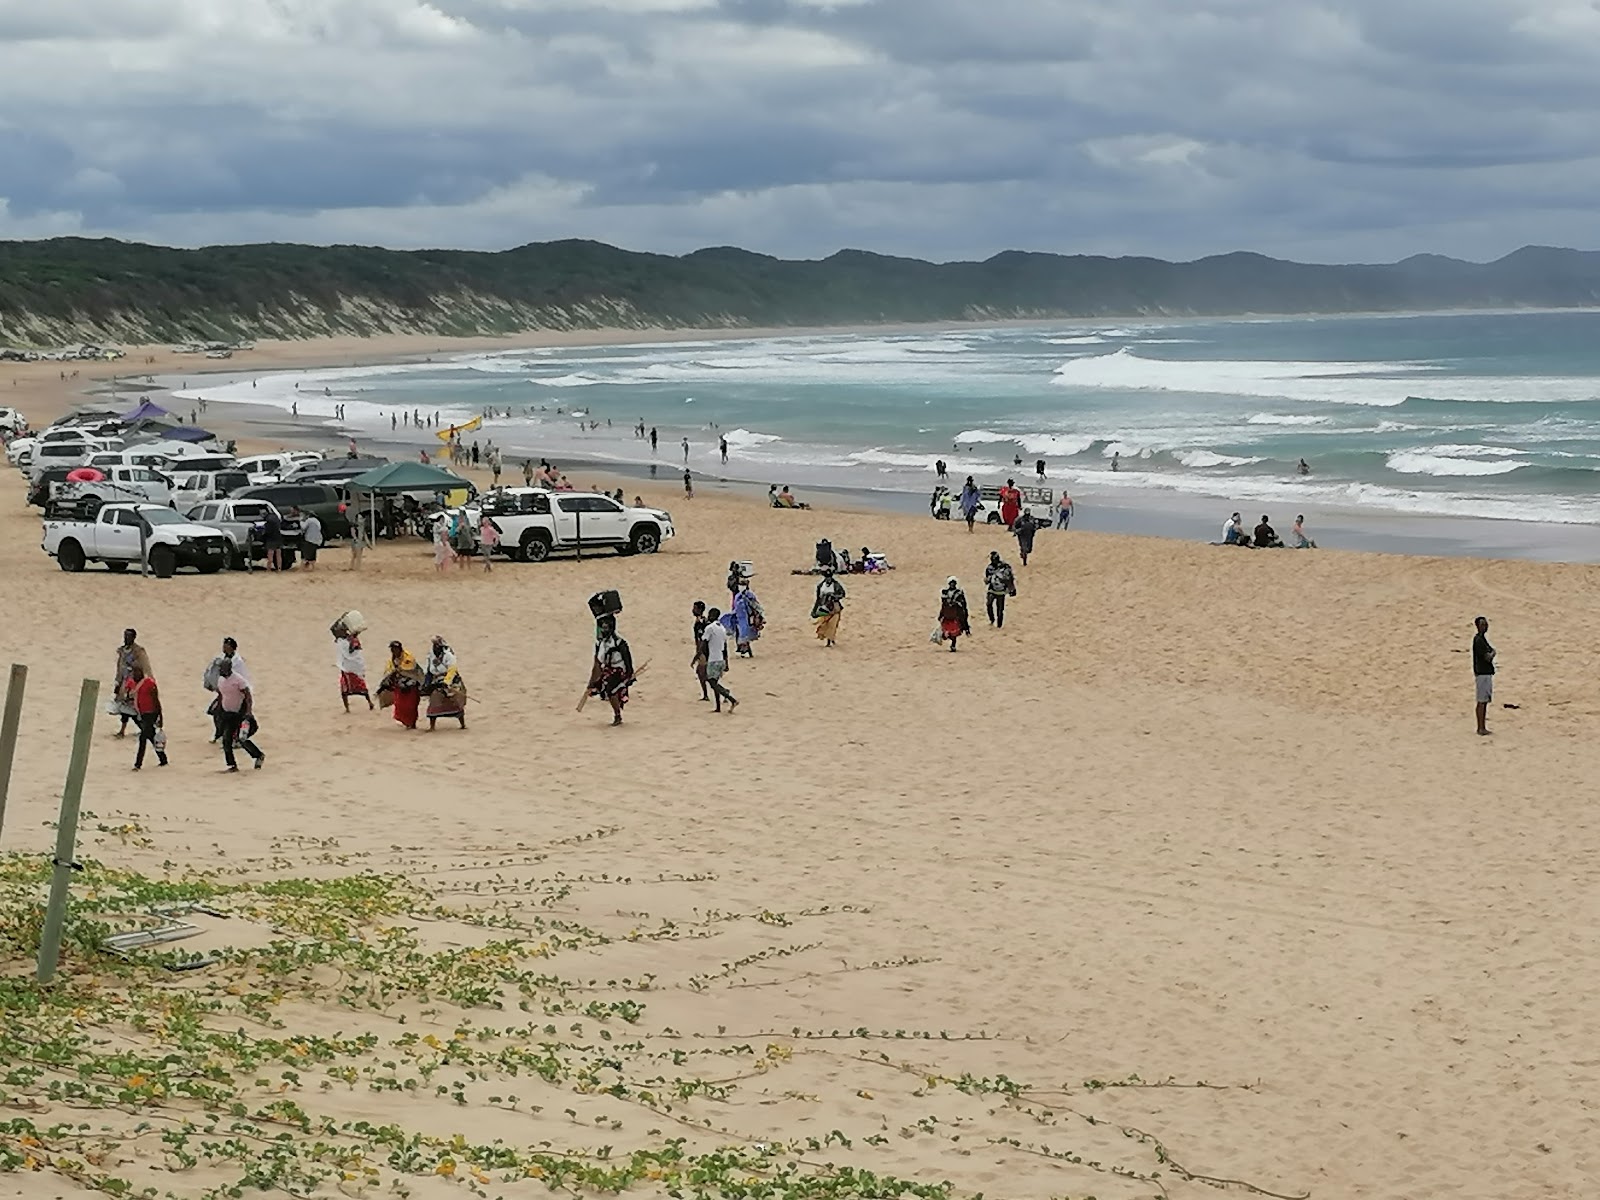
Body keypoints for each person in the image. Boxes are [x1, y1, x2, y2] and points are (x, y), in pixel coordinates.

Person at [214, 659, 264, 771]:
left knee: (242, 738)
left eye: (222, 668)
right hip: (227, 715)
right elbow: (221, 695)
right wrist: (218, 709)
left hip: (240, 715)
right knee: (226, 740)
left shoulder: (238, 680)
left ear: (228, 668)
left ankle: (258, 755)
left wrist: (248, 712)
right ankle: (232, 765)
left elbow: (248, 696)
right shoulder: (221, 680)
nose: (220, 670)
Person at [588, 614, 635, 727]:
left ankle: (617, 715)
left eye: (606, 628)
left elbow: (627, 659)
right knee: (600, 687)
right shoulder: (601, 644)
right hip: (608, 669)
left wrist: (629, 673)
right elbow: (598, 663)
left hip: (619, 670)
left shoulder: (619, 643)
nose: (604, 630)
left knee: (611, 689)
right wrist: (592, 682)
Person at [201, 637, 251, 741]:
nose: (224, 647)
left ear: (232, 648)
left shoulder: (238, 662)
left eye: (226, 646)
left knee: (236, 717)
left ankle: (235, 738)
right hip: (225, 691)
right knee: (216, 712)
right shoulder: (221, 657)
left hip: (237, 693)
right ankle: (218, 733)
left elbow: (242, 680)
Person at [111, 628, 152, 737]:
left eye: (129, 636)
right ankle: (124, 730)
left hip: (134, 685)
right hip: (124, 684)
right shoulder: (122, 651)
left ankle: (143, 728)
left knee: (134, 709)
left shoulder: (138, 652)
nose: (126, 639)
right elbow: (119, 669)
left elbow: (145, 667)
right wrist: (117, 683)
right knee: (124, 708)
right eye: (125, 636)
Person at [422, 636, 468, 731]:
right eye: (434, 645)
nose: (435, 647)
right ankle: (432, 726)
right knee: (434, 699)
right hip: (436, 680)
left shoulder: (449, 656)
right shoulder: (430, 655)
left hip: (450, 680)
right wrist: (426, 683)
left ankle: (462, 724)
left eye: (437, 645)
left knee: (455, 700)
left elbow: (452, 670)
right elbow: (428, 670)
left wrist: (446, 682)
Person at [377, 642, 424, 730]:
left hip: (411, 684)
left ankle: (412, 724)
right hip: (399, 685)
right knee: (400, 704)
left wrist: (399, 670)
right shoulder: (391, 660)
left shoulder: (408, 657)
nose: (393, 651)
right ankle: (406, 722)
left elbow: (411, 670)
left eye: (395, 649)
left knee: (411, 705)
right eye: (392, 649)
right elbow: (389, 671)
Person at [129, 665, 167, 770]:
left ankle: (138, 764)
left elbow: (156, 699)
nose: (135, 676)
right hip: (143, 714)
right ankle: (163, 759)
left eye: (137, 673)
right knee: (151, 736)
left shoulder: (149, 683)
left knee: (143, 738)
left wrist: (160, 715)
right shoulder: (134, 684)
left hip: (151, 713)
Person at [702, 608, 739, 713]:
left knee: (712, 682)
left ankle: (731, 698)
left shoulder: (709, 628)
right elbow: (725, 647)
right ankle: (718, 707)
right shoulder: (722, 629)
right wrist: (726, 662)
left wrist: (699, 656)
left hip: (713, 659)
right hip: (720, 659)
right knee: (715, 683)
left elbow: (704, 643)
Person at [335, 628, 372, 713]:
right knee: (344, 688)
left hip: (353, 667)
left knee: (361, 687)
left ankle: (370, 703)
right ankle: (347, 708)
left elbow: (354, 652)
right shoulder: (342, 641)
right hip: (346, 667)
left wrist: (350, 643)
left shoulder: (353, 641)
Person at [1473, 616, 1496, 736]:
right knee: (1482, 701)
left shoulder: (1482, 639)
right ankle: (1480, 727)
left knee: (1484, 700)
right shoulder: (1479, 640)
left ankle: (1482, 726)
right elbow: (1488, 656)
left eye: (1486, 624)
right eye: (1482, 624)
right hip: (1482, 673)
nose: (1485, 626)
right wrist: (1493, 653)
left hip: (1485, 672)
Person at [813, 569, 845, 647]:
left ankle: (829, 640)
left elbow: (842, 594)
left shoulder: (836, 585)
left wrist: (834, 596)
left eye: (829, 577)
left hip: (834, 607)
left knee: (832, 624)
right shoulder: (821, 586)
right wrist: (814, 609)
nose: (828, 579)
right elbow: (818, 598)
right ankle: (827, 637)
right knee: (823, 623)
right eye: (827, 577)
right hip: (823, 607)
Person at [937, 577, 970, 652]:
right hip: (947, 615)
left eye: (953, 583)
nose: (952, 585)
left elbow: (963, 604)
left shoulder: (959, 593)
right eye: (951, 583)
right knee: (946, 630)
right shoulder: (945, 593)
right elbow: (943, 605)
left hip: (955, 615)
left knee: (954, 632)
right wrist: (941, 614)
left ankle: (953, 645)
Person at [733, 581, 764, 658]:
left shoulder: (749, 595)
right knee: (740, 635)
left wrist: (759, 616)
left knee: (745, 635)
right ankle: (742, 650)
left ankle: (746, 651)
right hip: (739, 619)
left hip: (747, 618)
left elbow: (756, 606)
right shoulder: (738, 596)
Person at [984, 551, 1015, 628]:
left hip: (1001, 591)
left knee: (1000, 609)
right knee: (989, 604)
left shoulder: (1005, 567)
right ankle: (992, 619)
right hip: (991, 589)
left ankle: (999, 625)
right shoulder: (989, 568)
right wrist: (987, 580)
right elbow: (987, 578)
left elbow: (1010, 578)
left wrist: (1012, 589)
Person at [691, 600, 711, 701]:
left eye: (695, 608)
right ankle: (706, 694)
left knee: (702, 672)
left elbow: (701, 640)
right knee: (703, 673)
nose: (693, 610)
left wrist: (698, 653)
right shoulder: (701, 621)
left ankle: (720, 691)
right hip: (702, 650)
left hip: (703, 651)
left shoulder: (701, 624)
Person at [262, 505, 285, 571]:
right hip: (278, 538)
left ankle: (268, 569)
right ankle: (279, 569)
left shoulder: (268, 522)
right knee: (278, 555)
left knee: (270, 556)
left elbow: (267, 532)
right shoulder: (275, 517)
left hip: (271, 540)